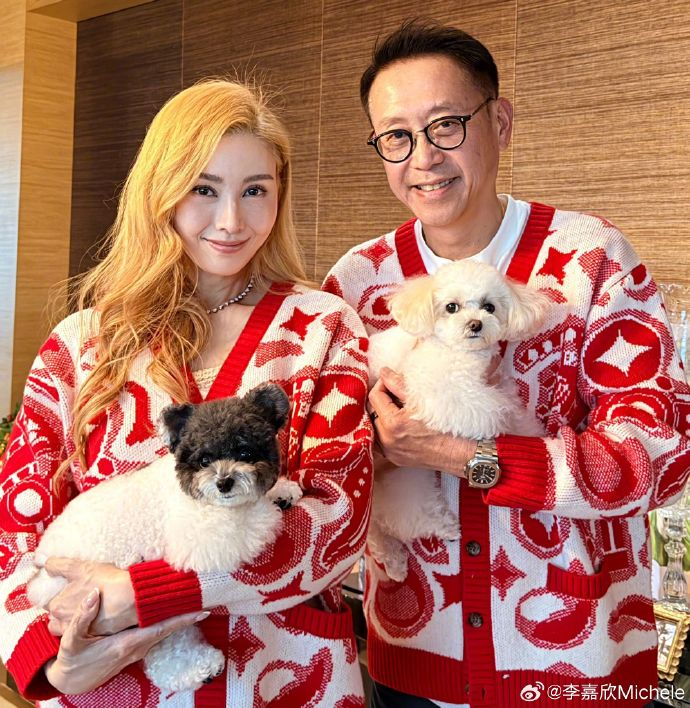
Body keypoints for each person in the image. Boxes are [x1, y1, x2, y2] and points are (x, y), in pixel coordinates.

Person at [324, 20, 690, 708]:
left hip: (580, 664)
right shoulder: (357, 281)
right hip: (413, 664)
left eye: (446, 125)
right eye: (396, 136)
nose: (423, 158)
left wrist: (469, 456)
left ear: (499, 122)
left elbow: (663, 454)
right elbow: (326, 464)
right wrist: (377, 448)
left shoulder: (591, 260)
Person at [0, 79, 373, 706]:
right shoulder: (84, 343)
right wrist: (51, 663)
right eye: (204, 189)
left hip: (283, 678)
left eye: (255, 190)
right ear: (162, 191)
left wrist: (150, 592)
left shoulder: (323, 328)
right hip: (111, 686)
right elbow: (15, 528)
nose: (231, 221)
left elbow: (338, 520)